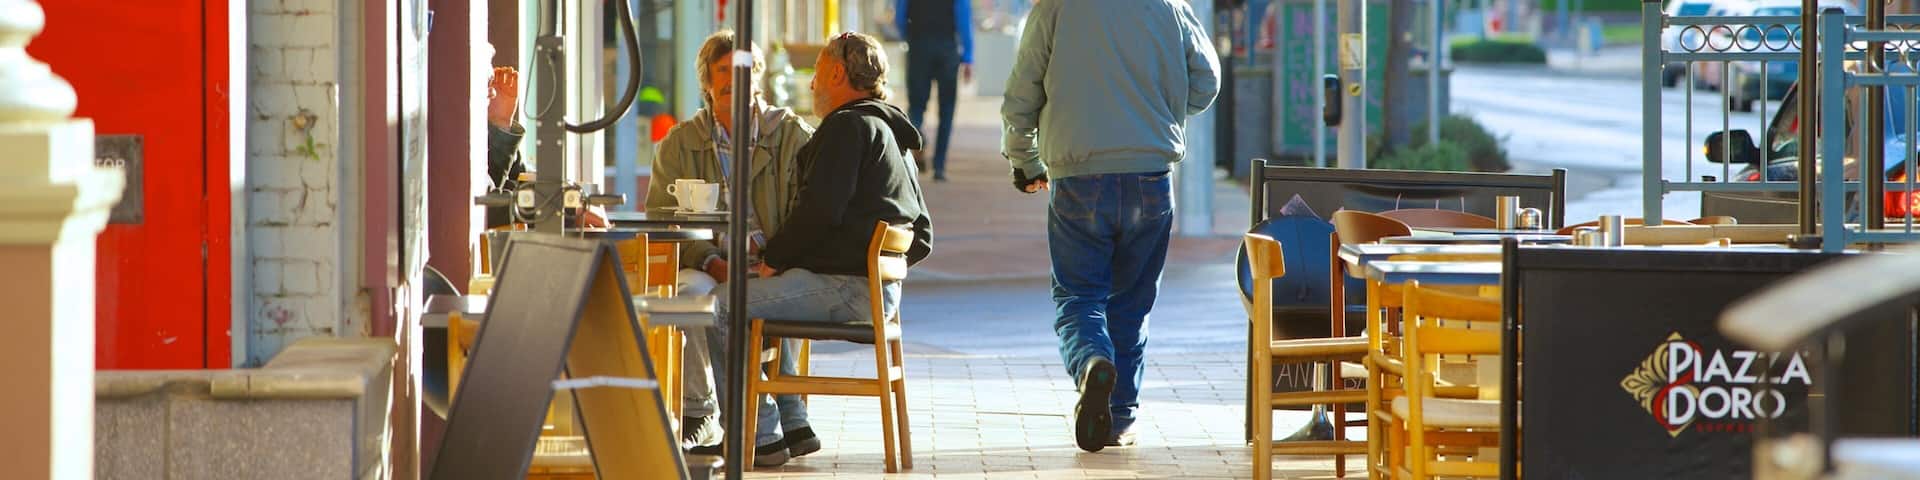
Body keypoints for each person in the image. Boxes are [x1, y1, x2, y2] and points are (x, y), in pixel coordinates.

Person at [706, 31, 934, 467]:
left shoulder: (848, 127)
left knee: (721, 306)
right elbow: (921, 234)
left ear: (836, 72)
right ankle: (791, 423)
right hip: (869, 289)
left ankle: (759, 435)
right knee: (766, 297)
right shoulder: (890, 130)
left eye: (817, 74)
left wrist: (775, 261)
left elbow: (820, 211)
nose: (811, 85)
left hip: (845, 287)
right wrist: (884, 267)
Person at [1000, 0, 1220, 452]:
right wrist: (1162, 109)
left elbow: (1022, 93)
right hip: (1151, 175)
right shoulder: (1170, 5)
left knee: (1079, 296)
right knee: (1132, 303)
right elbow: (1207, 81)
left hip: (1078, 176)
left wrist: (1024, 160)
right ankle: (1119, 416)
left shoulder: (1054, 7)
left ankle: (1090, 363)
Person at [647, 31, 817, 457]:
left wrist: (774, 261)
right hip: (710, 263)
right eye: (722, 71)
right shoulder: (679, 143)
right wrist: (709, 261)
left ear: (756, 76)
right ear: (707, 81)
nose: (731, 81)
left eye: (741, 71)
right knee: (689, 294)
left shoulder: (792, 135)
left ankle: (767, 422)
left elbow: (812, 210)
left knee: (756, 295)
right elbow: (660, 221)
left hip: (773, 264)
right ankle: (699, 409)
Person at [894, 0, 973, 182]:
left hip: (918, 45)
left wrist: (909, 36)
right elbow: (964, 20)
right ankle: (939, 166)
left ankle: (918, 136)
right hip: (947, 48)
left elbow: (900, 17)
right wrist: (968, 56)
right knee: (947, 110)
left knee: (916, 105)